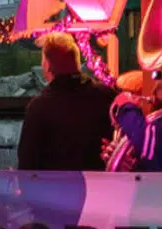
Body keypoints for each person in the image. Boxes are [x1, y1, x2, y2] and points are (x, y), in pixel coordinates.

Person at [16, 32, 117, 172]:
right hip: (101, 183)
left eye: (43, 59)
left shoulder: (39, 108)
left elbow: (27, 164)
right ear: (77, 62)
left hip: (53, 185)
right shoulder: (108, 97)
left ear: (47, 65)